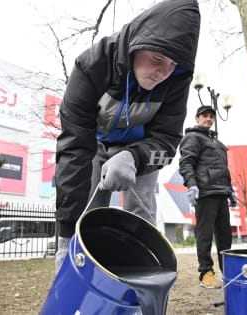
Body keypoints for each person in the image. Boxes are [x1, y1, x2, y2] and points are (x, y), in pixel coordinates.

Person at [54, 0, 201, 272]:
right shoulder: (92, 66)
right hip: (94, 144)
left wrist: (135, 157)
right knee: (88, 212)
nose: (163, 72)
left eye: (172, 64)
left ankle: (137, 279)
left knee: (141, 212)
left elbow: (167, 143)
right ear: (136, 44)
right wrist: (66, 234)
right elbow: (74, 147)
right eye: (157, 58)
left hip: (140, 150)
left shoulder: (175, 81)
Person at [179, 105, 236, 289]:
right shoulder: (192, 137)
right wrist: (192, 184)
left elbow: (224, 170)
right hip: (204, 192)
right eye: (204, 116)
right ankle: (206, 273)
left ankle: (228, 272)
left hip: (221, 192)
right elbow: (186, 162)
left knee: (225, 236)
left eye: (211, 116)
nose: (208, 119)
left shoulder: (218, 143)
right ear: (197, 118)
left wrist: (230, 189)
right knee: (204, 235)